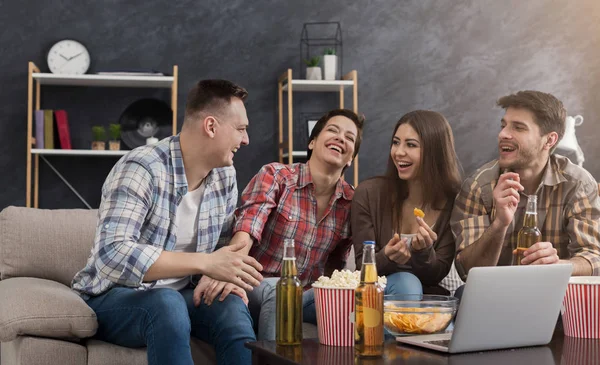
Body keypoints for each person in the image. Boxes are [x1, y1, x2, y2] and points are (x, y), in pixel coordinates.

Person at [71, 80, 264, 365]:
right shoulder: (142, 168)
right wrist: (205, 263)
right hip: (115, 299)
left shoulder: (224, 177)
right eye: (241, 129)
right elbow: (110, 255)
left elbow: (221, 250)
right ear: (211, 127)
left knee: (232, 307)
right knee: (166, 302)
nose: (246, 140)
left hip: (182, 296)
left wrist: (218, 275)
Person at [198, 109, 362, 341]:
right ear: (312, 142)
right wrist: (228, 270)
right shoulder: (277, 176)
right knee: (282, 290)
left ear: (351, 157)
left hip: (306, 296)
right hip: (257, 285)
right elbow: (248, 227)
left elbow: (336, 266)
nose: (340, 138)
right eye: (333, 131)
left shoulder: (351, 202)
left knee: (362, 305)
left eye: (349, 138)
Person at [451, 90, 600, 299]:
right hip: (497, 294)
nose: (503, 134)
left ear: (549, 140)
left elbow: (594, 258)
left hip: (556, 295)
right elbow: (467, 270)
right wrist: (499, 224)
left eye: (518, 127)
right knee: (466, 294)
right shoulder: (479, 186)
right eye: (503, 125)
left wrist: (557, 266)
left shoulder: (578, 185)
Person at [351, 110, 463, 296]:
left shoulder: (454, 203)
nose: (398, 152)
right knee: (406, 282)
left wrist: (424, 253)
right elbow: (361, 268)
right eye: (396, 142)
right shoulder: (368, 193)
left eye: (411, 145)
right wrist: (386, 257)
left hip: (422, 301)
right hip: (373, 292)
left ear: (435, 151)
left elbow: (437, 274)